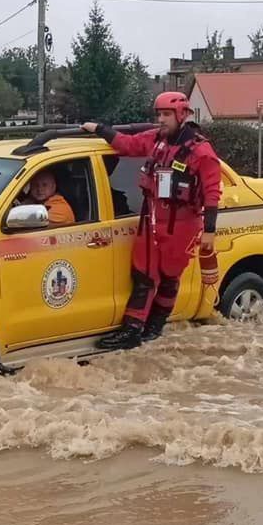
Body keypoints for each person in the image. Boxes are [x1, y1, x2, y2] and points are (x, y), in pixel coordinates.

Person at [82, 91, 222, 349]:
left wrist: (210, 232)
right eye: (159, 114)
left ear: (181, 115)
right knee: (143, 275)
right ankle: (133, 330)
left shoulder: (200, 151)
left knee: (169, 277)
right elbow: (127, 144)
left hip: (181, 224)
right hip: (152, 220)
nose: (161, 119)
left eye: (166, 114)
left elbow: (213, 192)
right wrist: (99, 128)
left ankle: (155, 325)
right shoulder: (156, 140)